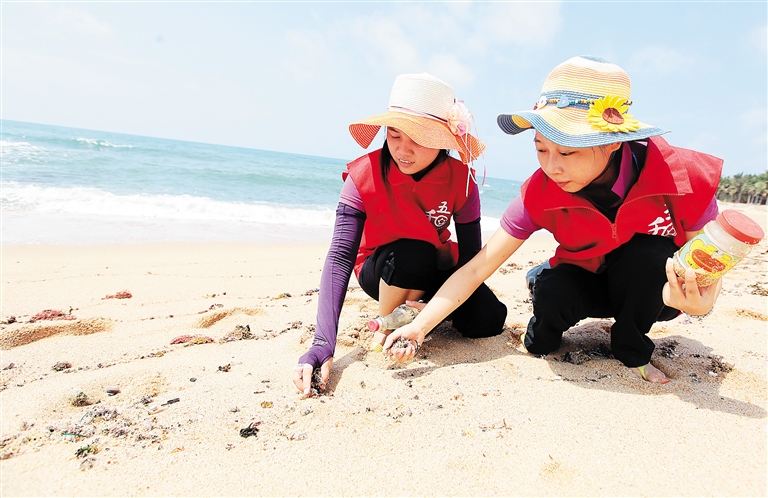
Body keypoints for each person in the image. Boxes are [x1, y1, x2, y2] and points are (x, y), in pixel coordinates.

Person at [384, 56, 724, 384]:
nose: (551, 166)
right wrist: (419, 328)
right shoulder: (541, 192)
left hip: (647, 292)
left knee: (648, 254)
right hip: (582, 278)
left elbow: (709, 260)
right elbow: (477, 268)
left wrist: (704, 302)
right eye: (541, 148)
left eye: (567, 151)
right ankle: (541, 283)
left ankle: (631, 348)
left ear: (613, 143)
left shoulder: (680, 176)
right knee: (547, 319)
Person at [293, 73, 507, 396]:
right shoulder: (363, 175)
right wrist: (323, 342)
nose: (403, 150)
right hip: (382, 269)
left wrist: (435, 305)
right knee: (413, 251)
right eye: (394, 134)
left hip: (436, 266)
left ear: (444, 139)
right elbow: (339, 258)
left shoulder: (462, 180)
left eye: (417, 140)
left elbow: (470, 261)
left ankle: (418, 313)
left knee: (489, 319)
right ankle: (386, 325)